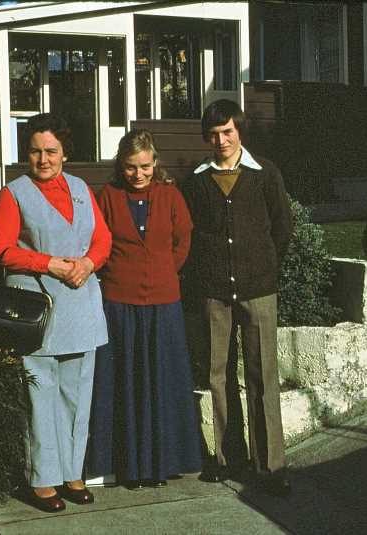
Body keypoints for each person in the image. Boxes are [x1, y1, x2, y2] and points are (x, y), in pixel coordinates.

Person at [0, 113, 111, 512]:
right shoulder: (14, 193)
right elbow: (1, 249)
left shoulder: (80, 188)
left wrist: (88, 263)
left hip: (81, 307)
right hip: (37, 312)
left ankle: (73, 473)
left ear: (64, 153)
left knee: (77, 396)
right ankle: (43, 479)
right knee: (40, 397)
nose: (43, 159)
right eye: (35, 151)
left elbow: (102, 238)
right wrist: (50, 264)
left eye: (51, 151)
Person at [181, 99, 294, 496]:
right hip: (214, 292)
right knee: (218, 374)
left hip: (258, 289)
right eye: (214, 134)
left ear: (239, 131)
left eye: (227, 131)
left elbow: (282, 226)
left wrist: (264, 265)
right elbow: (190, 235)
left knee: (263, 375)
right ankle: (229, 458)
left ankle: (271, 466)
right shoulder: (197, 181)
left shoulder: (264, 174)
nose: (221, 140)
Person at [87, 129, 202, 488]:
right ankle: (128, 468)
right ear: (120, 166)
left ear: (155, 163)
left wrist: (163, 271)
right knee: (125, 382)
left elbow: (183, 241)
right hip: (119, 302)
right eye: (130, 167)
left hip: (164, 302)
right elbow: (98, 242)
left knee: (163, 381)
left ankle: (163, 464)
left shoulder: (170, 196)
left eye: (145, 166)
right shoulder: (108, 197)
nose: (138, 174)